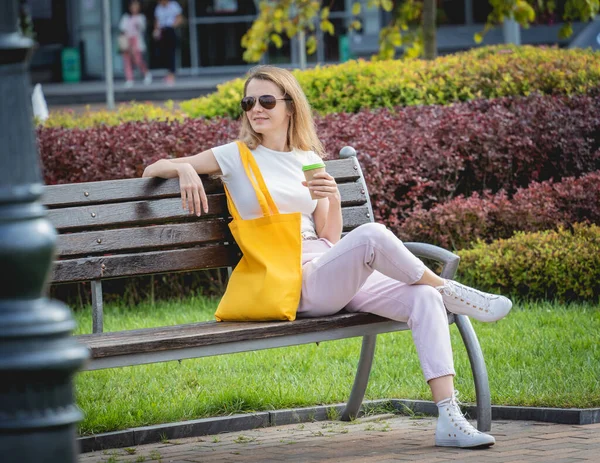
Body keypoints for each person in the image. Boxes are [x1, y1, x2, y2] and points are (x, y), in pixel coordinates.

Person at [142, 66, 513, 449]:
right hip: (293, 282)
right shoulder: (235, 156)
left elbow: (330, 236)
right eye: (248, 102)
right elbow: (154, 167)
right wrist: (185, 167)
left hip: (327, 267)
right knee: (372, 234)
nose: (256, 109)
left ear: (290, 106)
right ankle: (452, 290)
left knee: (423, 298)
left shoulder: (307, 158)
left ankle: (449, 418)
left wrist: (332, 196)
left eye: (266, 100)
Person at [119, 0, 152, 88]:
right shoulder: (125, 17)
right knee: (127, 61)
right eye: (133, 6)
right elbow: (122, 30)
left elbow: (142, 28)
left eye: (136, 6)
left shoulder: (141, 17)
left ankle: (146, 73)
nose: (134, 8)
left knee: (138, 60)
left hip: (136, 41)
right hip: (127, 41)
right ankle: (129, 79)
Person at [153, 0, 183, 85]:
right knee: (164, 53)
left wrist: (172, 25)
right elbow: (157, 21)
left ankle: (172, 74)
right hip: (162, 31)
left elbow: (180, 18)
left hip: (170, 30)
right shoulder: (158, 8)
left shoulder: (173, 5)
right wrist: (156, 30)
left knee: (171, 53)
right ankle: (168, 73)